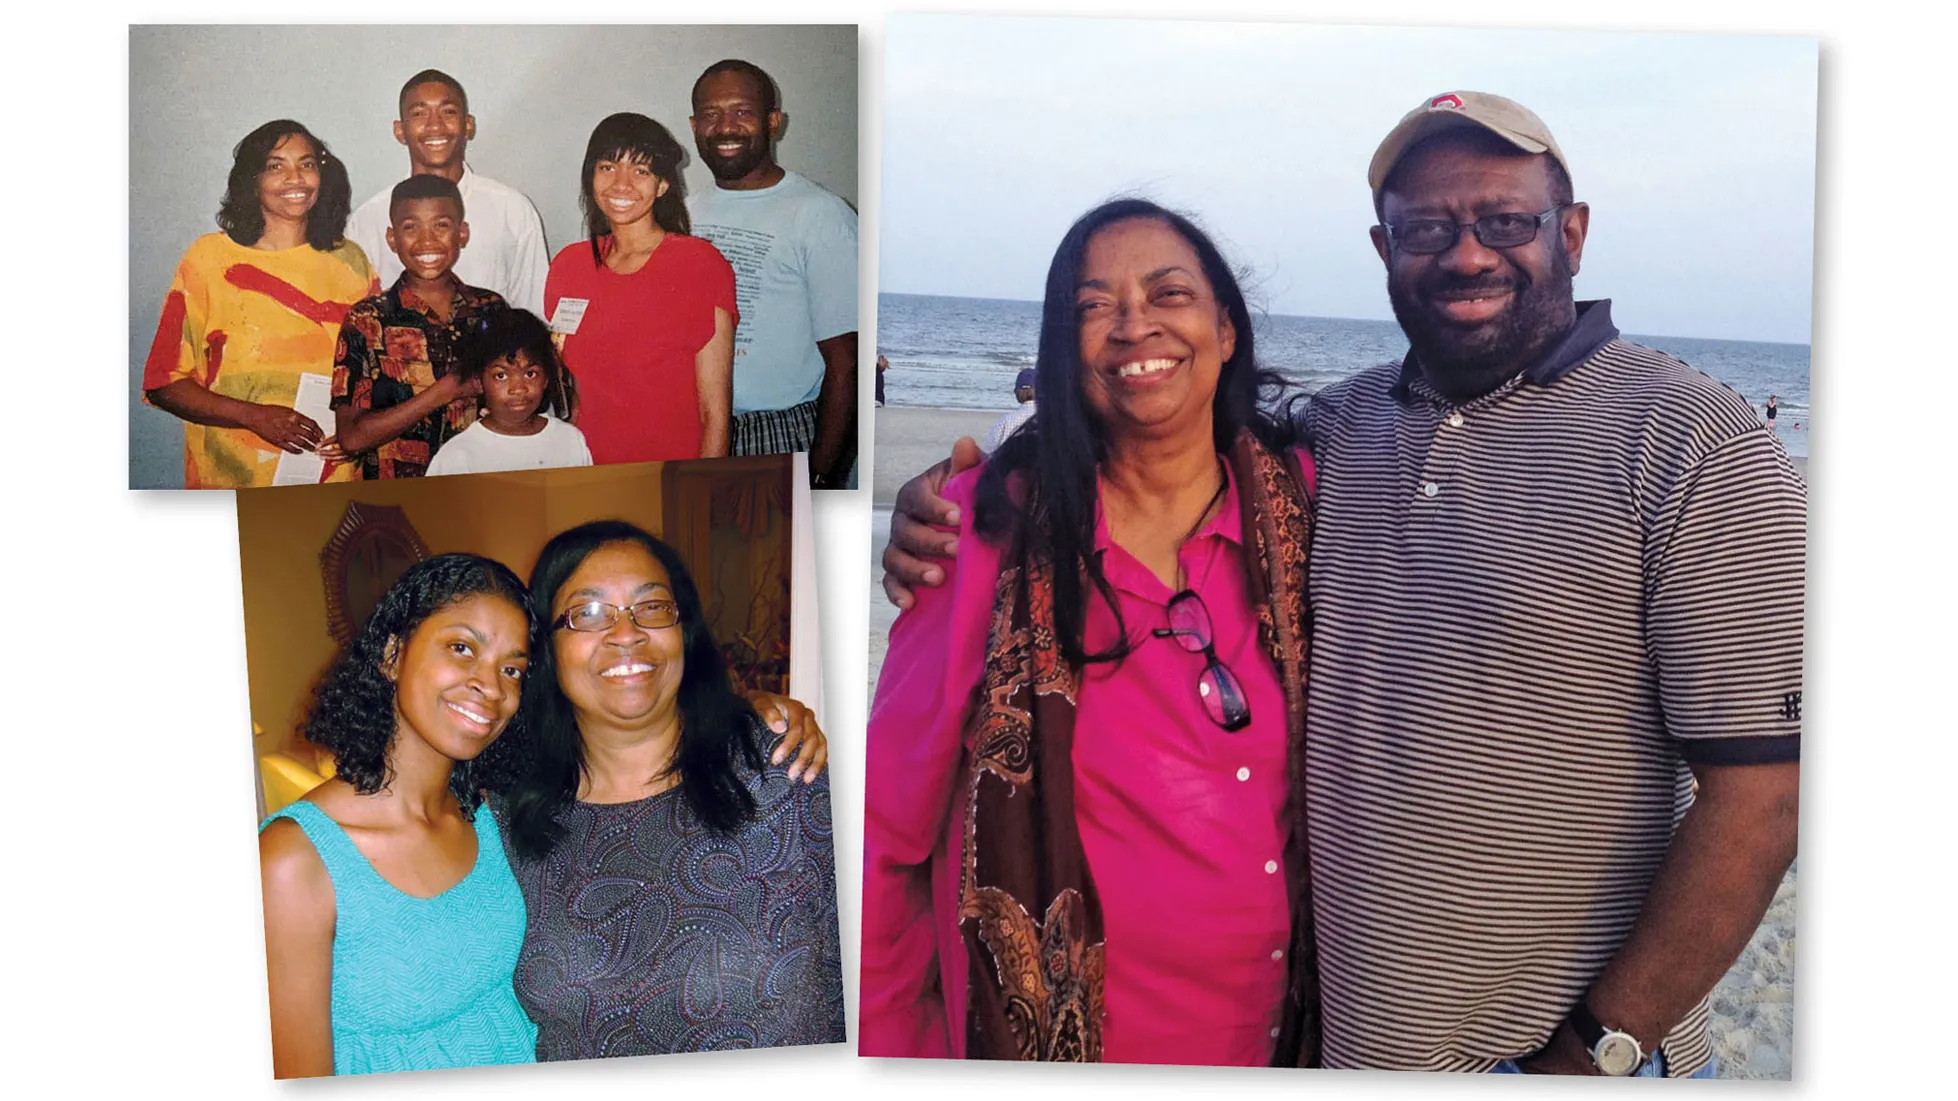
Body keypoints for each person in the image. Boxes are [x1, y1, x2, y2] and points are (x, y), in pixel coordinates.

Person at [880, 92, 1803, 1078]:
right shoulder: (1333, 438)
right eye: (1425, 227)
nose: (1465, 253)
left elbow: (1761, 800)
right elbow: (1147, 419)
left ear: (1569, 231)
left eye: (1504, 221)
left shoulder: (1695, 444)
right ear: (1381, 246)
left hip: (1555, 1056)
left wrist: (1597, 1050)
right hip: (1341, 1050)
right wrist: (965, 495)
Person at [862, 200, 1319, 1066]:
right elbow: (886, 835)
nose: (1133, 324)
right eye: (1092, 305)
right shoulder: (980, 533)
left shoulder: (1309, 509)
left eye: (1169, 292)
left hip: (1290, 1045)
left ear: (1225, 328)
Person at [499, 520, 846, 1058]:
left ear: (683, 630)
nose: (626, 633)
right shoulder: (502, 820)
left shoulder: (783, 772)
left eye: (652, 606)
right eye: (588, 613)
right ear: (546, 648)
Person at [259, 554, 540, 1077]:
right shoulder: (294, 861)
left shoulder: (486, 817)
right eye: (462, 648)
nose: (493, 687)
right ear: (393, 655)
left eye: (512, 670)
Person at [143, 120, 375, 488]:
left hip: (333, 483)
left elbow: (375, 370)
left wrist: (359, 433)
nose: (295, 178)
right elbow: (162, 382)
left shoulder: (352, 262)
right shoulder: (208, 260)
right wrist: (253, 416)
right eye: (276, 165)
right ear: (252, 180)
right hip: (232, 481)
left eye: (307, 164)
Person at [688, 59, 859, 488]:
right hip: (692, 431)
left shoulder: (820, 215)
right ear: (693, 126)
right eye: (711, 114)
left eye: (742, 112)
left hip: (778, 435)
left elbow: (847, 364)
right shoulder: (683, 215)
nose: (725, 127)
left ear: (773, 121)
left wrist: (822, 475)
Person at [546, 113, 735, 464]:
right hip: (587, 470)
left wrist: (707, 494)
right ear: (590, 176)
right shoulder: (568, 266)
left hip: (673, 477)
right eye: (607, 167)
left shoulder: (700, 265)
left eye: (641, 171)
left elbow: (715, 412)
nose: (621, 184)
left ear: (662, 185)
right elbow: (575, 393)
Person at [331, 175, 508, 479]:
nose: (427, 240)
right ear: (391, 238)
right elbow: (352, 437)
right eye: (411, 227)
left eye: (441, 225)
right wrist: (446, 390)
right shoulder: (367, 320)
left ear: (462, 234)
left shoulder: (490, 309)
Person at [345, 70, 550, 317]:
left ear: (468, 125)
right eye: (419, 113)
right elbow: (357, 318)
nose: (435, 125)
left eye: (448, 111)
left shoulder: (513, 211)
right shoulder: (368, 220)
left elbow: (534, 316)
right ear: (399, 131)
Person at [426, 309, 591, 476]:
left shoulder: (569, 440)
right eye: (501, 376)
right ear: (478, 381)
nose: (518, 389)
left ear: (546, 378)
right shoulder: (458, 457)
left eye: (530, 374)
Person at [979, 367, 1038, 453]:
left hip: (1012, 464)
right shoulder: (1052, 420)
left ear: (1016, 392)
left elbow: (987, 452)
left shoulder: (1007, 421)